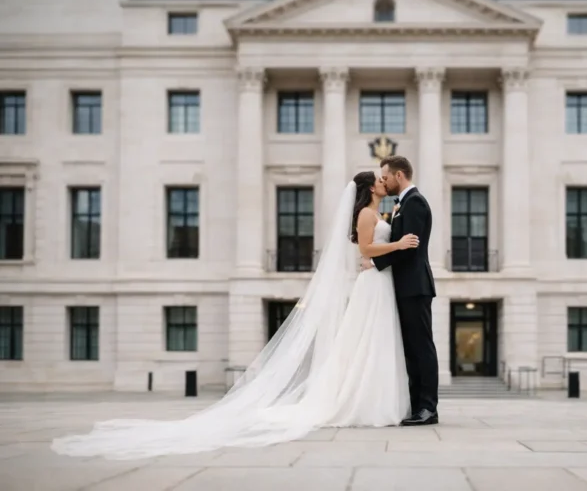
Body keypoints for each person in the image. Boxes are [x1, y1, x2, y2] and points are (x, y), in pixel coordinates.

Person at [51, 171, 419, 460]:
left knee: (374, 343)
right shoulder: (368, 213)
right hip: (373, 283)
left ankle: (376, 398)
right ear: (370, 187)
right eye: (379, 178)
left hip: (378, 284)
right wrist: (399, 243)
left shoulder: (378, 210)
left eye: (385, 177)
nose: (383, 181)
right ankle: (362, 401)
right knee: (366, 342)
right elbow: (367, 248)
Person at [363, 156, 439, 426]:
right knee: (411, 349)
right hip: (404, 286)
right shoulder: (401, 204)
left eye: (385, 176)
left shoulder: (415, 202)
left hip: (415, 286)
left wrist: (374, 262)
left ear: (399, 175)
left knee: (422, 347)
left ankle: (428, 408)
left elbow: (410, 247)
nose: (383, 181)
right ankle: (418, 406)